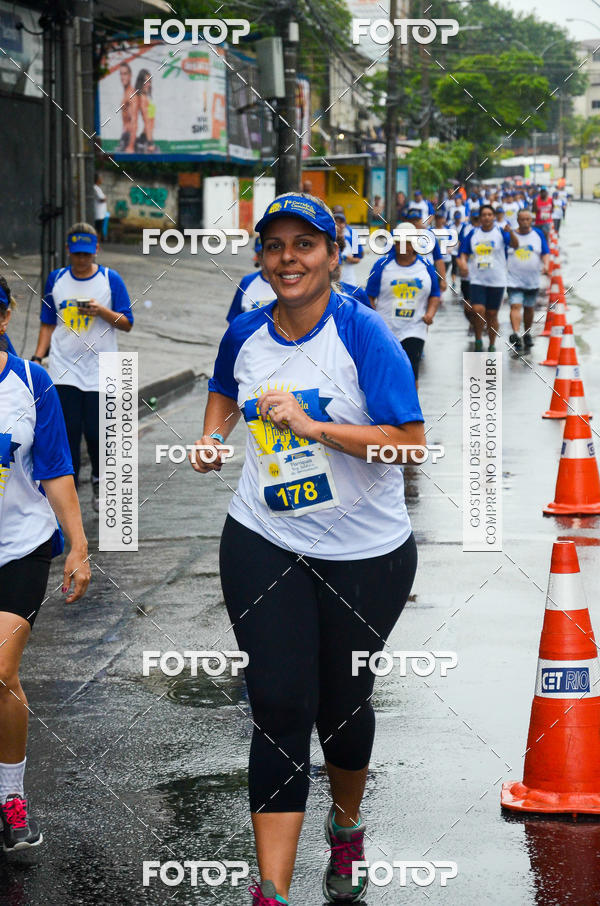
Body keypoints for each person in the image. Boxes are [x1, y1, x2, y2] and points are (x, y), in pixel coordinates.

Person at [190, 192, 425, 906]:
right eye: (274, 246)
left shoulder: (364, 335)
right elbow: (223, 389)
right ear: (261, 257)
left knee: (343, 707)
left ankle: (346, 829)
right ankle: (272, 890)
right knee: (280, 704)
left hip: (367, 555)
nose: (287, 259)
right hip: (266, 539)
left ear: (333, 254)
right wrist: (211, 436)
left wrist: (314, 427)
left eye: (304, 245)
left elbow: (410, 443)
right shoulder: (246, 332)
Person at [0, 275, 90, 858]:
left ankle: (10, 798)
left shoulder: (32, 384)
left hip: (20, 548)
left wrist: (78, 545)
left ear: (4, 317)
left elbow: (56, 469)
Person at [33, 223, 133, 511]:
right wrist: (39, 357)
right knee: (69, 432)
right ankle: (70, 493)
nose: (82, 260)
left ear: (96, 251)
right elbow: (47, 322)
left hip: (102, 370)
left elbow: (127, 323)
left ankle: (101, 481)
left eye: (87, 255)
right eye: (77, 254)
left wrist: (100, 311)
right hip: (64, 368)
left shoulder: (109, 280)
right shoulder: (56, 279)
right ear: (68, 251)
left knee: (96, 433)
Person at [366, 222, 441, 384]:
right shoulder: (381, 266)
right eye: (401, 241)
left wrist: (430, 314)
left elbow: (435, 294)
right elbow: (369, 296)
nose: (405, 246)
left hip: (415, 328)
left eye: (409, 241)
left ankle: (412, 408)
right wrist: (374, 319)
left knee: (411, 370)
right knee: (388, 371)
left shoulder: (426, 266)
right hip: (386, 329)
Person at [457, 203, 518, 351]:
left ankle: (491, 343)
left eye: (489, 215)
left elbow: (515, 245)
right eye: (484, 215)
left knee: (492, 314)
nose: (486, 217)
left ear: (494, 217)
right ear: (481, 217)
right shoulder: (473, 234)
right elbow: (462, 253)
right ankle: (478, 339)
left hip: (497, 280)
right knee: (477, 309)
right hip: (477, 279)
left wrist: (512, 233)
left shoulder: (500, 232)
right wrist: (463, 264)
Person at [507, 209, 550, 351]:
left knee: (529, 308)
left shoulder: (538, 234)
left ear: (531, 220)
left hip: (532, 280)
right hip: (513, 279)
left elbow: (545, 253)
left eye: (528, 219)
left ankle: (526, 333)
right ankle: (516, 333)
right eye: (522, 219)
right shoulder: (511, 235)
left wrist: (546, 265)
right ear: (518, 220)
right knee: (515, 306)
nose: (525, 222)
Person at [332, 207, 364, 284]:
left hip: (348, 281)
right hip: (331, 282)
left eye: (341, 222)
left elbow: (359, 257)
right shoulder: (326, 235)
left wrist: (348, 259)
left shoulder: (352, 235)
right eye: (336, 221)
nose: (338, 224)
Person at [134, 70, 157, 153]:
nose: (148, 84)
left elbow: (151, 120)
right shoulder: (142, 98)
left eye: (149, 81)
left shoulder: (145, 97)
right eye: (146, 82)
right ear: (141, 82)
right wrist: (150, 143)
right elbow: (147, 121)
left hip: (147, 136)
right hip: (145, 139)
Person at [117, 62, 136, 153]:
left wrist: (131, 146)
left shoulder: (131, 95)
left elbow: (134, 121)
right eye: (121, 74)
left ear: (130, 75)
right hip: (125, 136)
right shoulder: (126, 93)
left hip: (129, 139)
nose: (122, 77)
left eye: (125, 74)